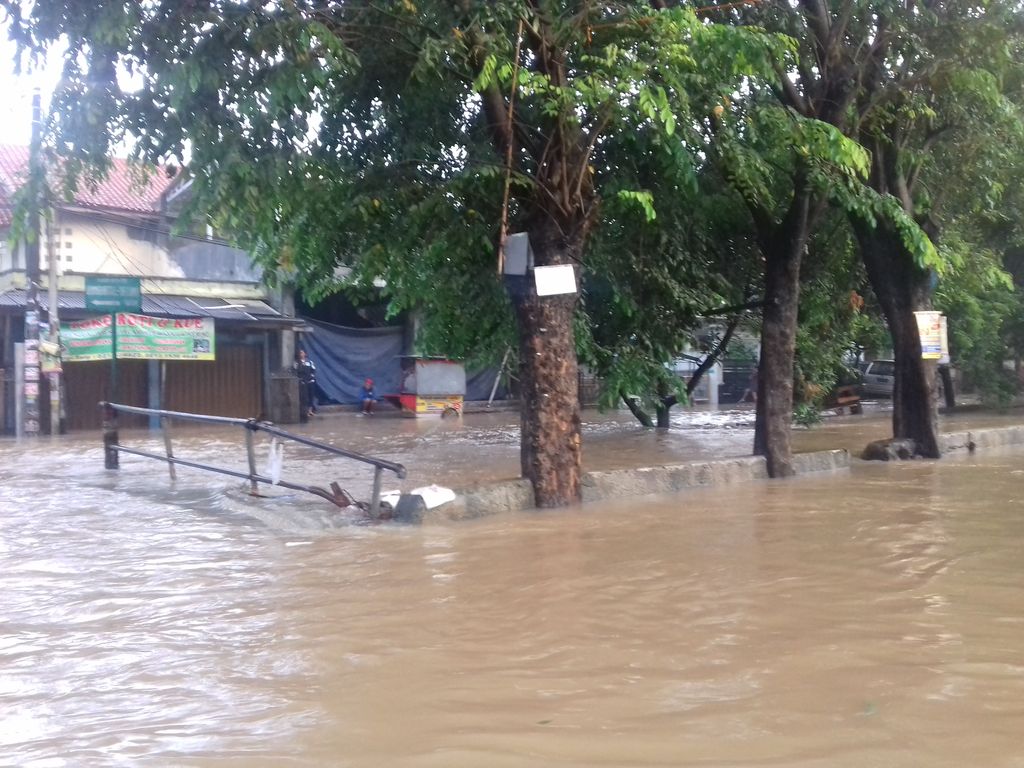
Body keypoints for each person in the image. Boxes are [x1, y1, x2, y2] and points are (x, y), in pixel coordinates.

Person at [293, 349, 317, 419]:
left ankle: (310, 410)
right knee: (304, 397)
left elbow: (313, 370)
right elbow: (295, 372)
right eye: (300, 353)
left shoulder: (309, 362)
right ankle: (305, 411)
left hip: (310, 381)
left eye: (302, 353)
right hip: (302, 382)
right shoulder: (296, 363)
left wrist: (312, 378)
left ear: (305, 354)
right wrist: (300, 380)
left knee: (311, 396)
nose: (301, 354)